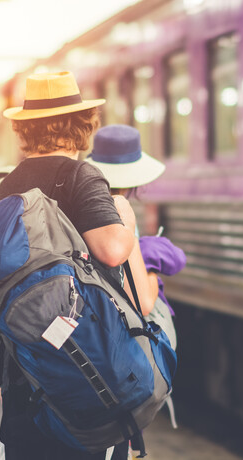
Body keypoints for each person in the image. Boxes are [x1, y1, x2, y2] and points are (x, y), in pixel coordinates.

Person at [0, 71, 156, 460]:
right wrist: (126, 218)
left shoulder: (4, 189)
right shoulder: (82, 176)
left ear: (25, 130)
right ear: (82, 125)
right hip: (86, 382)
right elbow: (113, 250)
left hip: (23, 381)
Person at [86, 124, 185, 349]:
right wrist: (151, 273)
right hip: (116, 339)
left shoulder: (81, 205)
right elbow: (143, 302)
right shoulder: (121, 211)